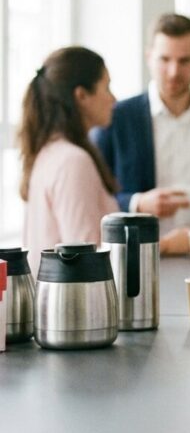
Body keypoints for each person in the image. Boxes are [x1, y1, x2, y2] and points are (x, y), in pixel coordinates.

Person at [92, 14, 190, 253]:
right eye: (164, 59)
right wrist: (138, 203)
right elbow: (93, 195)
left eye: (184, 61)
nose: (174, 71)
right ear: (149, 58)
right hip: (135, 258)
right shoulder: (116, 118)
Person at [19, 46, 119, 273]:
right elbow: (84, 256)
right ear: (82, 96)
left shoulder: (49, 152)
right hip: (73, 303)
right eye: (107, 87)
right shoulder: (73, 161)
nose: (114, 98)